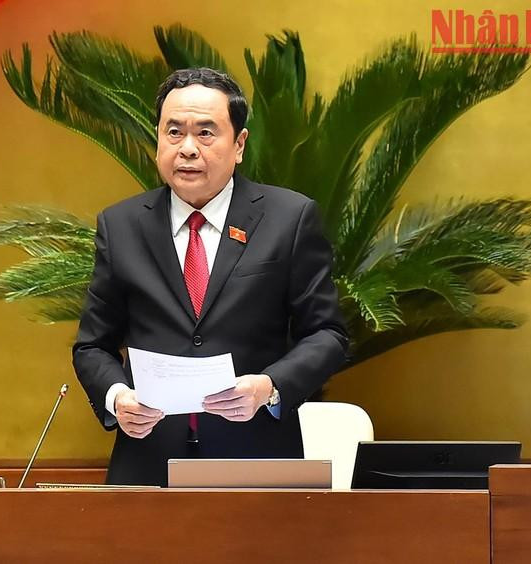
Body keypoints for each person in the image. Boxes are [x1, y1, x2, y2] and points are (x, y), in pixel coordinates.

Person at [72, 67, 349, 486]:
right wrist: (117, 397)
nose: (187, 149)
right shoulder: (121, 224)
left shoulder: (288, 219)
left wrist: (269, 387)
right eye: (174, 132)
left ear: (239, 144)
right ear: (158, 140)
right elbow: (93, 345)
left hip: (257, 462)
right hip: (148, 462)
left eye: (205, 133)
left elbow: (327, 333)